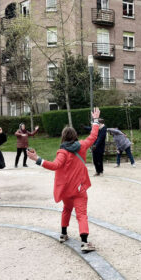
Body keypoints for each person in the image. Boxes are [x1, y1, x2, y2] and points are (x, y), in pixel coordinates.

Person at [27, 108, 101, 252]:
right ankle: (85, 242)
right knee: (81, 214)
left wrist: (38, 159)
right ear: (75, 136)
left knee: (66, 209)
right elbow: (93, 136)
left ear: (63, 137)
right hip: (79, 189)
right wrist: (96, 120)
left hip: (66, 190)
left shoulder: (62, 152)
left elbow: (54, 166)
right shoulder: (82, 146)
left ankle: (63, 234)